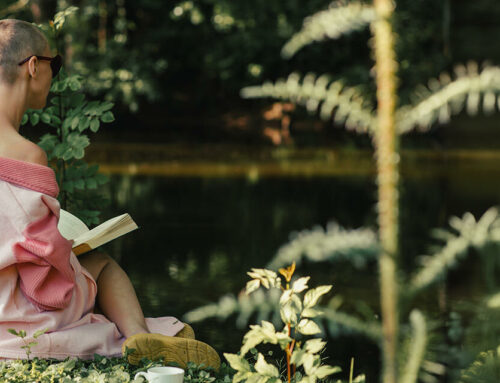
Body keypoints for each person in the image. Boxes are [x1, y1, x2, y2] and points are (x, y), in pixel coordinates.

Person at [0, 19, 220, 369]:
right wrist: (71, 248)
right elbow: (43, 268)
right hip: (18, 317)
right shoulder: (27, 155)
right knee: (100, 265)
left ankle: (145, 339)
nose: (54, 73)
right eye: (54, 64)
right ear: (32, 67)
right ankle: (137, 338)